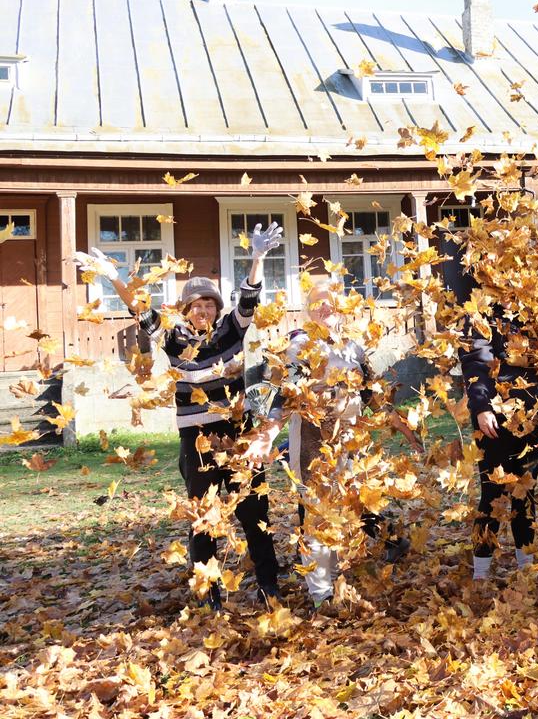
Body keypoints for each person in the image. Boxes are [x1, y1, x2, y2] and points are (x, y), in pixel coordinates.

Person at [75, 224, 285, 611]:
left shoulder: (231, 333)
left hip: (239, 434)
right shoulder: (174, 339)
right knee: (203, 517)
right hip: (197, 438)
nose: (203, 310)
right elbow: (140, 309)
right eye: (196, 305)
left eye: (209, 304)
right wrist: (115, 277)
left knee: (255, 512)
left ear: (216, 310)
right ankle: (209, 594)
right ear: (186, 310)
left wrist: (257, 258)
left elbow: (249, 299)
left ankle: (269, 584)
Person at [243, 282, 414, 609]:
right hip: (311, 444)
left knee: (343, 512)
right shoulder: (300, 346)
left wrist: (403, 428)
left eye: (330, 303)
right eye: (317, 304)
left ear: (341, 309)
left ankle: (333, 583)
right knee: (318, 517)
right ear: (309, 310)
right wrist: (267, 432)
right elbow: (284, 396)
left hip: (349, 442)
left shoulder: (354, 348)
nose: (325, 309)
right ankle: (321, 595)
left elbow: (372, 394)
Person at [458, 300, 538, 582]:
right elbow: (476, 363)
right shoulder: (482, 314)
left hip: (532, 421)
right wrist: (482, 407)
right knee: (492, 496)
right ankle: (481, 575)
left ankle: (527, 570)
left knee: (525, 494)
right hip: (496, 422)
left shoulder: (535, 311)